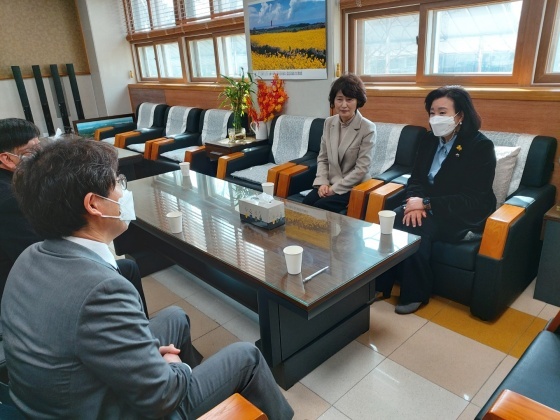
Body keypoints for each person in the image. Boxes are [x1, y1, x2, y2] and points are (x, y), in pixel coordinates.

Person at [1, 139, 293, 419]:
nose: (122, 191)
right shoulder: (101, 290)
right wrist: (175, 370)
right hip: (104, 410)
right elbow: (161, 396)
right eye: (117, 183)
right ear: (94, 205)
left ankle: (207, 402)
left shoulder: (31, 256)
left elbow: (88, 341)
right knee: (247, 356)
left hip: (68, 396)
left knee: (175, 317)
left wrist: (152, 359)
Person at [0, 118, 149, 317]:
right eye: (30, 152)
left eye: (39, 148)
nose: (39, 157)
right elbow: (43, 259)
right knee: (174, 317)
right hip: (31, 289)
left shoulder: (19, 183)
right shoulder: (9, 198)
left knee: (127, 267)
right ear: (7, 159)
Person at [376, 86, 496, 315]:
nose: (435, 118)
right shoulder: (429, 140)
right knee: (391, 217)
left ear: (460, 115)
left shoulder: (480, 146)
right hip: (426, 203)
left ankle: (415, 293)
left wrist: (426, 204)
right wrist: (414, 201)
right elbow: (416, 178)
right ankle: (381, 284)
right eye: (432, 113)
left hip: (461, 212)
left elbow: (474, 197)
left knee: (415, 226)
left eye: (442, 112)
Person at [303, 73, 375, 213]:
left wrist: (334, 189)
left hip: (354, 186)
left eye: (349, 99)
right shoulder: (329, 122)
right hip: (330, 182)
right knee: (306, 204)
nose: (343, 105)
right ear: (333, 101)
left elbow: (362, 169)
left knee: (320, 208)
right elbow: (323, 158)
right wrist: (323, 182)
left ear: (358, 101)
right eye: (339, 99)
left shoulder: (367, 128)